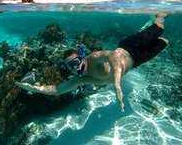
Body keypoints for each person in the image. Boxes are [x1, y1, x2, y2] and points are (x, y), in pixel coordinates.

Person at [16, 14, 168, 112]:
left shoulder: (93, 58)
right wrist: (35, 88)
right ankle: (145, 29)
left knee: (159, 28)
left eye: (76, 62)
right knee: (164, 42)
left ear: (81, 58)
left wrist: (116, 83)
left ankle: (159, 15)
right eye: (71, 66)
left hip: (130, 46)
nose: (75, 69)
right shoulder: (80, 79)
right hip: (137, 61)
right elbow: (57, 89)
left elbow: (113, 56)